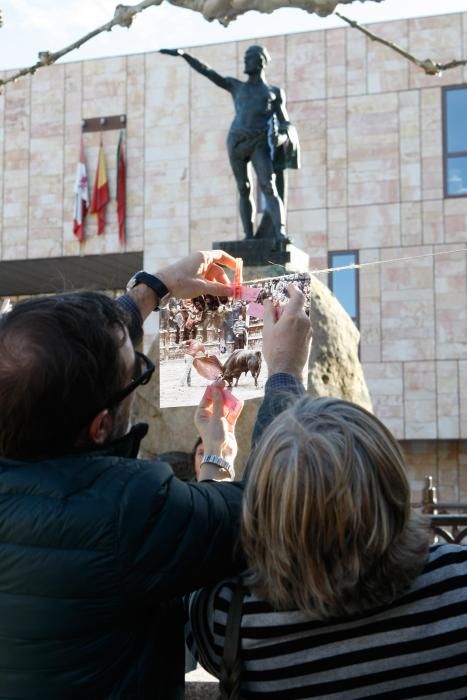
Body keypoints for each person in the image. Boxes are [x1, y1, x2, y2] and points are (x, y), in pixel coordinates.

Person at [0, 250, 311, 699]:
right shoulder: (126, 509)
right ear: (100, 426)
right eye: (136, 374)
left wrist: (154, 287)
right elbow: (265, 504)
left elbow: (56, 351)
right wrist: (284, 374)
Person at [187, 394, 467, 697]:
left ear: (264, 515)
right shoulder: (458, 583)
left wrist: (215, 459)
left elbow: (202, 553)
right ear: (391, 484)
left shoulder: (228, 619)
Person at [160, 45, 300, 242]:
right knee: (244, 188)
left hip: (259, 141)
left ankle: (281, 233)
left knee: (268, 186)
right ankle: (248, 236)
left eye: (248, 58)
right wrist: (185, 55)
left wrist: (283, 137)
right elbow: (209, 72)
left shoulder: (274, 92)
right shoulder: (236, 86)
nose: (245, 62)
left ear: (260, 61)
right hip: (236, 141)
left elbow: (285, 122)